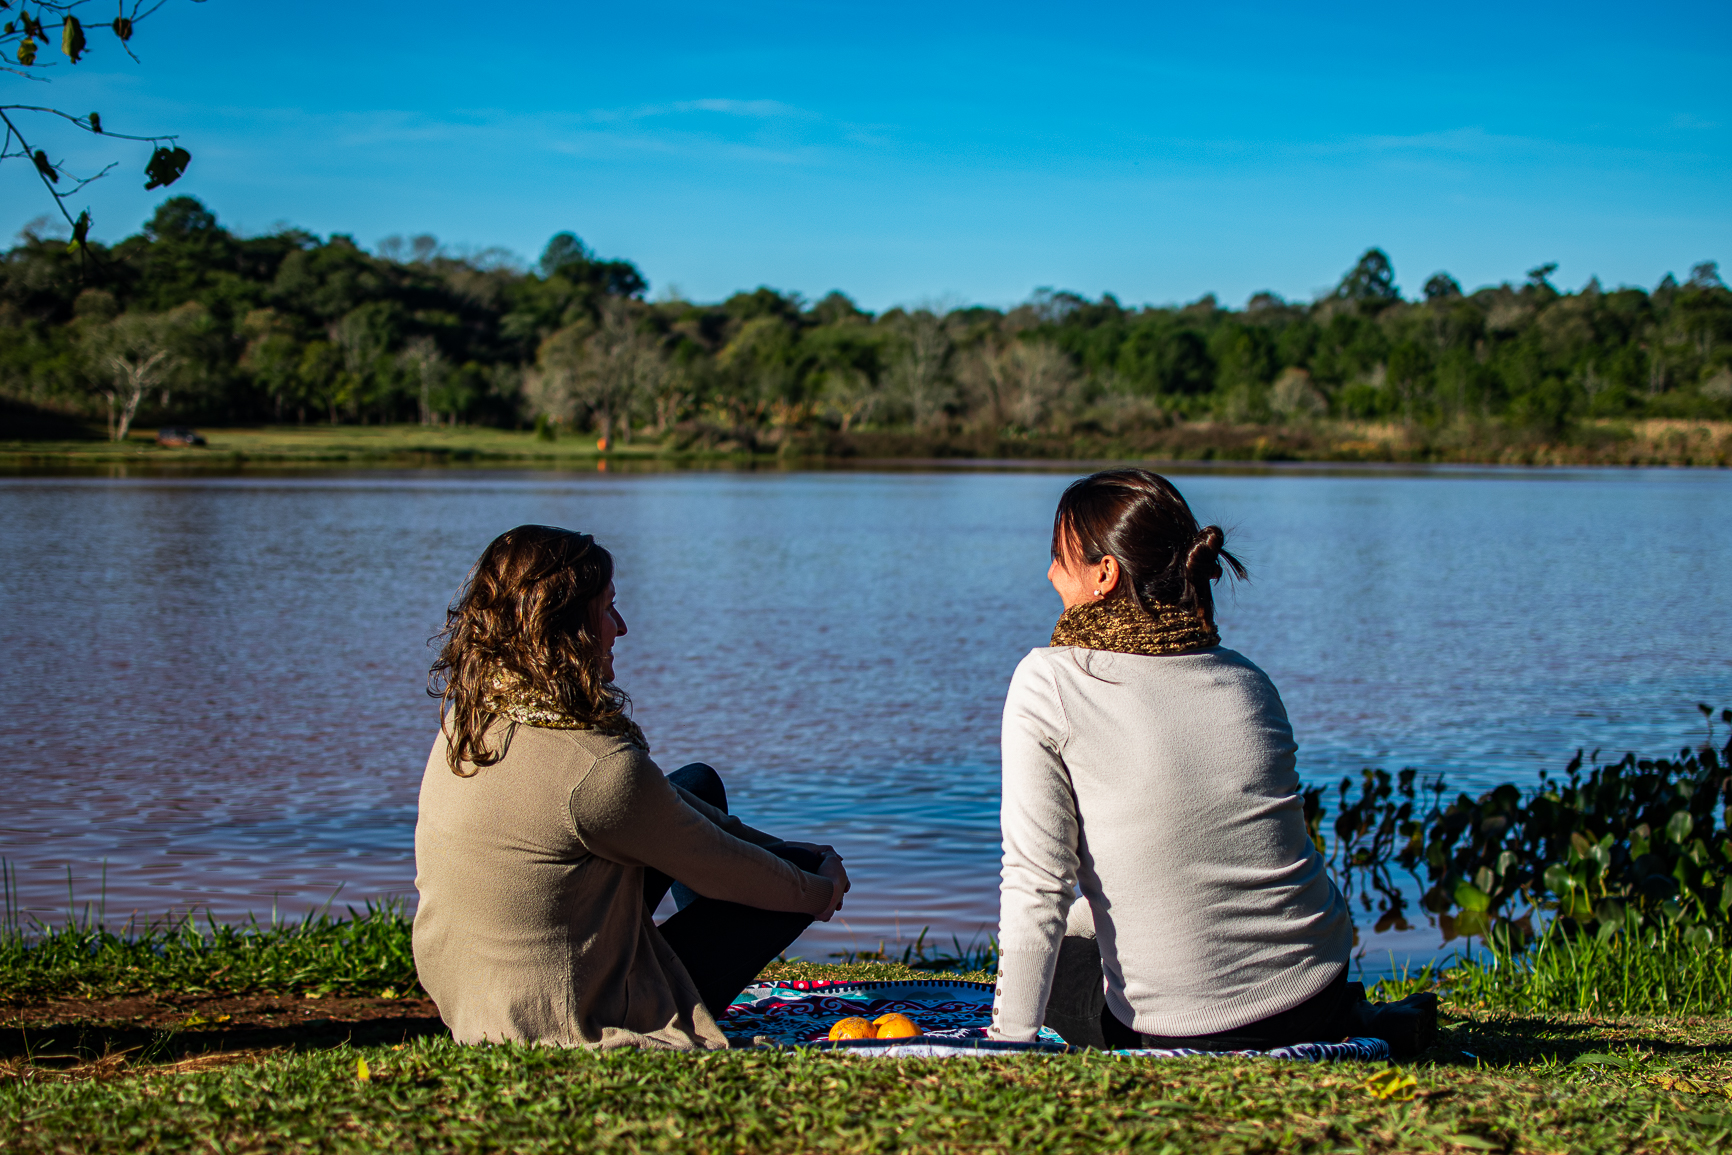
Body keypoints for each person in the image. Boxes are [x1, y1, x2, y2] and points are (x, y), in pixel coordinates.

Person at [988, 469, 1436, 1054]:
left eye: (1058, 554)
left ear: (1104, 573)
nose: (1048, 572)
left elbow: (1036, 880)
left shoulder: (1049, 681)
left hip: (1182, 1029)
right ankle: (1361, 1021)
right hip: (1315, 987)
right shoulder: (1247, 678)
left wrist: (1005, 1046)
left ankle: (1361, 1023)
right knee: (1090, 914)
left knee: (1064, 970)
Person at [412, 525, 849, 1050]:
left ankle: (679, 965)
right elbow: (712, 858)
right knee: (789, 882)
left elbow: (675, 814)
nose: (620, 627)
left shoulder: (472, 719)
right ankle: (677, 996)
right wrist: (819, 889)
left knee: (697, 785)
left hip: (475, 998)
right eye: (608, 609)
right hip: (559, 1021)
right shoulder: (596, 770)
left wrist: (783, 851)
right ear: (565, 627)